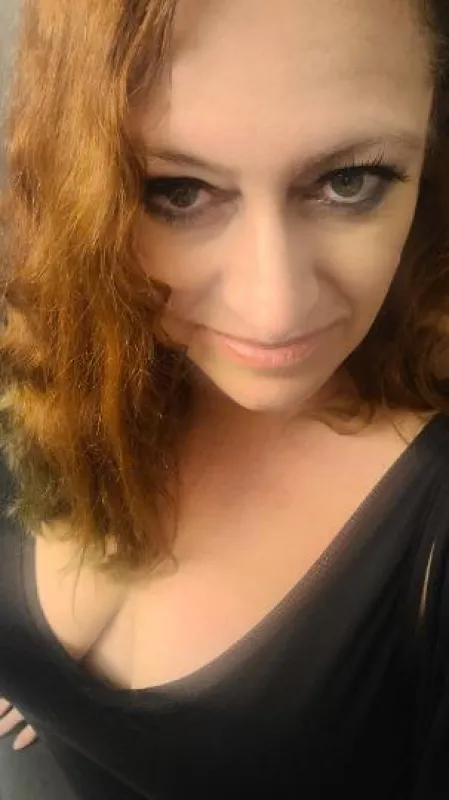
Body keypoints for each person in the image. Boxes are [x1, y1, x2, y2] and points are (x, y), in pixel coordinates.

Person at [0, 0, 449, 796]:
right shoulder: (29, 348)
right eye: (176, 191)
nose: (273, 310)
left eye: (349, 181)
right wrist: (49, 690)